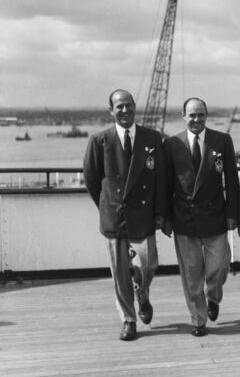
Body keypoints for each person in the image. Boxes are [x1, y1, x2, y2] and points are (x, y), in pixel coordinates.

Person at [83, 89, 167, 341]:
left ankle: (142, 295)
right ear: (111, 111)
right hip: (115, 216)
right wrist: (108, 205)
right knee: (120, 273)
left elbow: (161, 179)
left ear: (134, 107)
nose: (125, 110)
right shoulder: (100, 141)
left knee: (148, 264)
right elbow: (92, 179)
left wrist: (160, 212)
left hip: (144, 215)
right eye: (119, 106)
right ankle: (128, 319)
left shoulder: (152, 138)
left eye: (128, 105)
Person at [162, 97, 240, 337]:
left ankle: (213, 296)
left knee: (219, 266)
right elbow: (165, 184)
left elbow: (231, 179)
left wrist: (232, 214)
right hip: (185, 219)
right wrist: (164, 217)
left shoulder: (222, 140)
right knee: (191, 272)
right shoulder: (172, 144)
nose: (196, 119)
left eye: (201, 115)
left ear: (206, 116)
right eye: (192, 115)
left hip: (215, 217)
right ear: (183, 116)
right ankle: (198, 319)